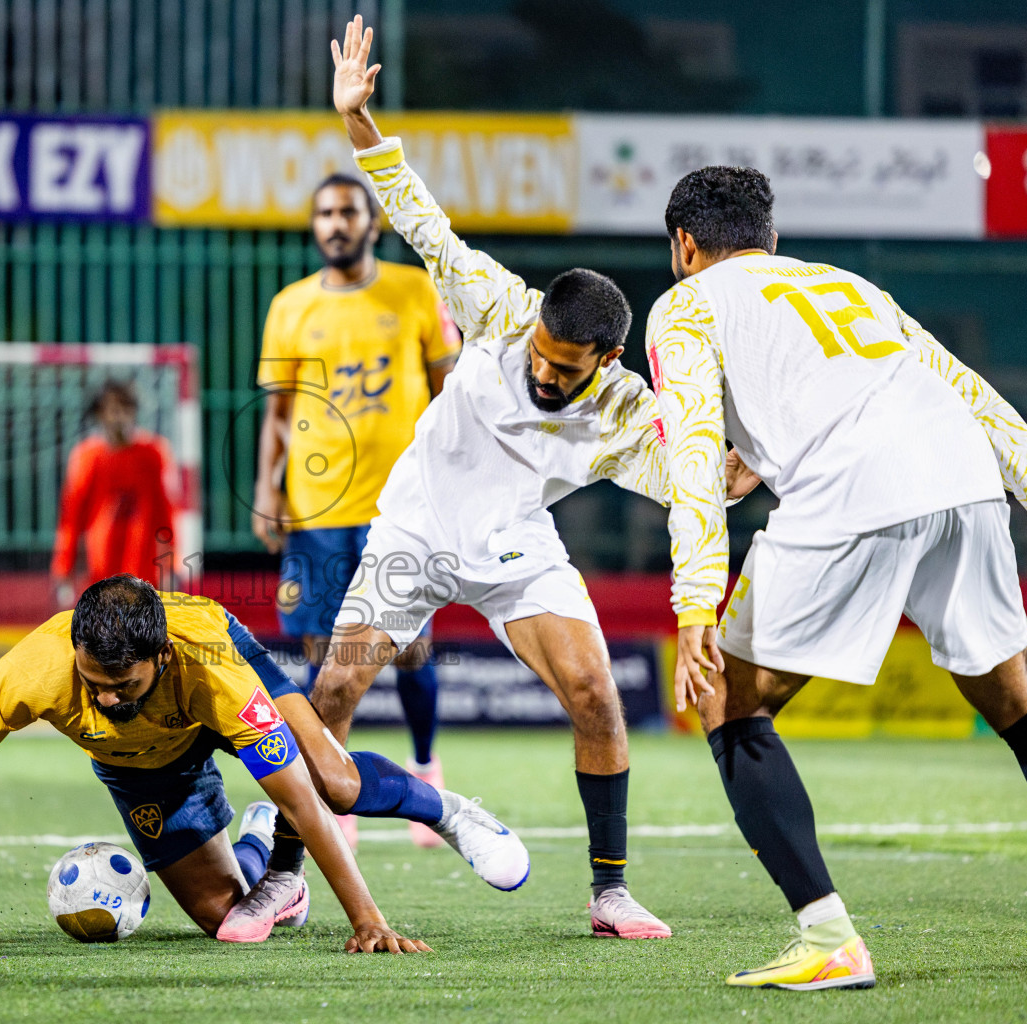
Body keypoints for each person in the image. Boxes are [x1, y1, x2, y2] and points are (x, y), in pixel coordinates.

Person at [314, 16, 753, 939]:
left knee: (596, 694)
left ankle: (609, 893)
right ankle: (283, 876)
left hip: (515, 548)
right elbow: (416, 212)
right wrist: (358, 122)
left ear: (609, 355)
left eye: (567, 367)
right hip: (417, 529)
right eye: (543, 359)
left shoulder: (626, 410)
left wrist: (737, 472)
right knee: (331, 696)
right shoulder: (501, 309)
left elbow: (693, 479)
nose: (547, 375)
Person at [649, 164, 1027, 990]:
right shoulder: (849, 286)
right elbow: (975, 396)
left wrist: (696, 597)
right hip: (963, 476)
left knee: (727, 700)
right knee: (1016, 701)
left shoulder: (686, 304)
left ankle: (827, 938)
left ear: (685, 246)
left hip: (853, 488)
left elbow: (692, 451)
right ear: (771, 240)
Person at [0, 574, 527, 949]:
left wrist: (369, 922)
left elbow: (301, 797)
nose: (105, 696)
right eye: (93, 681)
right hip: (140, 769)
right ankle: (260, 854)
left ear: (156, 658)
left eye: (122, 684)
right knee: (226, 921)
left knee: (333, 781)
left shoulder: (208, 665)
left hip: (223, 684)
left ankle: (448, 810)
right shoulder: (36, 667)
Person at [252, 169, 462, 849]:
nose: (336, 223)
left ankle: (424, 767)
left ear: (373, 223)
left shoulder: (415, 291)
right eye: (325, 214)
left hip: (399, 507)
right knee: (322, 653)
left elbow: (448, 392)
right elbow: (278, 413)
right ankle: (333, 782)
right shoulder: (290, 306)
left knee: (409, 648)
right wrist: (267, 489)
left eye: (348, 212)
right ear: (315, 227)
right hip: (316, 512)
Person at [51, 381, 176, 598]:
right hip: (101, 570)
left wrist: (172, 561)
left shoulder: (153, 453)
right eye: (112, 409)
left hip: (143, 570)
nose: (119, 416)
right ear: (99, 414)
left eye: (125, 408)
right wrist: (64, 566)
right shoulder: (87, 456)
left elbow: (165, 511)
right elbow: (71, 516)